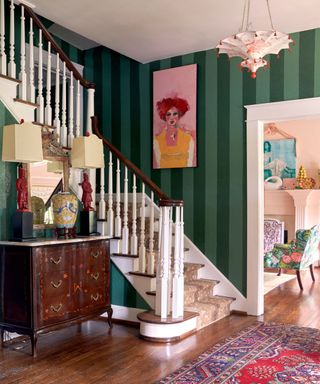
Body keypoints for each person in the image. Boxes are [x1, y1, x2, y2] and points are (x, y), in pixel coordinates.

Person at [153, 96, 194, 168]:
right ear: (164, 116)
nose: (172, 118)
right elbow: (158, 165)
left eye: (175, 114)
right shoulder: (157, 140)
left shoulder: (188, 139)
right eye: (168, 114)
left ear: (179, 115)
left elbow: (189, 163)